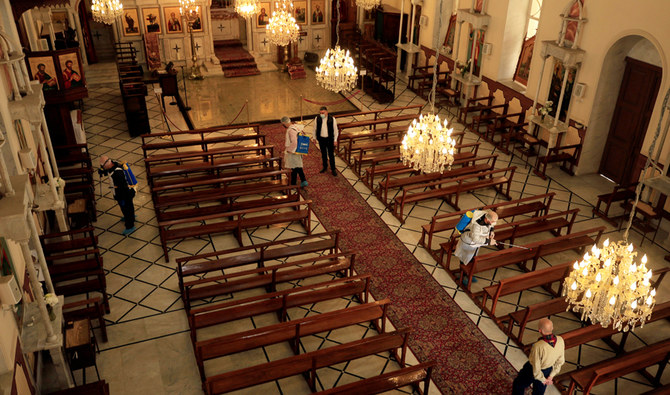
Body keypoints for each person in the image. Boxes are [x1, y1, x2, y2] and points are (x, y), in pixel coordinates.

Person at [512, 318, 565, 395]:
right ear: (552, 328)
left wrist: (543, 380)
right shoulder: (560, 340)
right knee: (539, 392)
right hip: (547, 370)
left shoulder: (538, 346)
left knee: (518, 384)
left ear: (540, 330)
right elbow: (560, 361)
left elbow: (536, 368)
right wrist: (550, 376)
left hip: (531, 370)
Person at [453, 209, 497, 284]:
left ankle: (468, 273)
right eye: (493, 222)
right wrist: (489, 241)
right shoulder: (476, 225)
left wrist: (492, 231)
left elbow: (491, 224)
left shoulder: (487, 214)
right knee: (464, 259)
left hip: (475, 244)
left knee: (472, 258)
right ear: (487, 219)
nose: (494, 223)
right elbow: (475, 239)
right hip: (468, 243)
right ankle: (462, 276)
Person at [99, 156, 136, 235]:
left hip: (125, 194)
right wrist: (103, 172)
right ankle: (131, 216)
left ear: (107, 164)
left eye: (102, 166)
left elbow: (123, 187)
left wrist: (121, 198)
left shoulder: (117, 173)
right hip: (124, 192)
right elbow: (109, 172)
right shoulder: (114, 164)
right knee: (128, 207)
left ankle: (130, 226)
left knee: (126, 209)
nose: (102, 168)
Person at [282, 116, 308, 188]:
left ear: (284, 123)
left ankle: (298, 182)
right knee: (296, 166)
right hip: (299, 149)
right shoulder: (295, 127)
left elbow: (294, 142)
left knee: (295, 166)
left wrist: (289, 150)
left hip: (294, 151)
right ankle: (298, 181)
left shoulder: (291, 130)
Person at [313, 106, 338, 176]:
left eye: (323, 113)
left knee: (331, 155)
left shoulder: (332, 119)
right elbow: (314, 129)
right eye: (320, 113)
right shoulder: (317, 118)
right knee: (323, 154)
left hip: (329, 139)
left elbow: (336, 131)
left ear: (327, 112)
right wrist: (314, 138)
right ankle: (325, 166)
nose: (321, 114)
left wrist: (335, 140)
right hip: (321, 139)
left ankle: (333, 169)